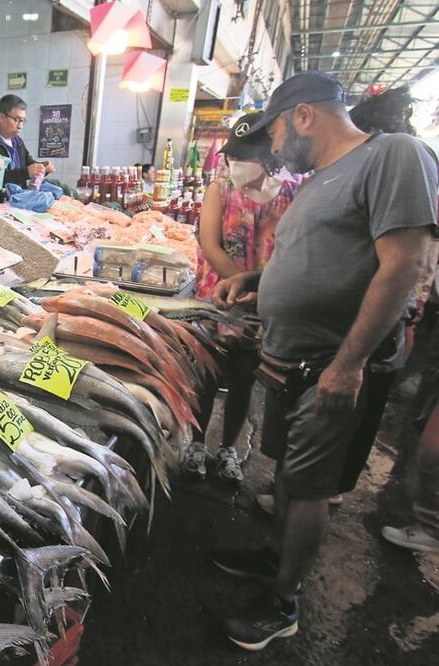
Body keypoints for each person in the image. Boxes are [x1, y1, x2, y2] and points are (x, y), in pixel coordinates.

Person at [209, 72, 438, 651]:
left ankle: (282, 600)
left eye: (277, 132)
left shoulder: (394, 156)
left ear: (305, 115)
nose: (274, 148)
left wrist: (349, 363)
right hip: (291, 359)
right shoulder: (321, 179)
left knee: (309, 485)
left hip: (329, 365)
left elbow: (402, 266)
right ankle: (273, 555)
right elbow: (321, 260)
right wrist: (260, 282)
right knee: (286, 472)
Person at [183, 112, 301, 484]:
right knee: (206, 374)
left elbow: (295, 250)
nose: (236, 164)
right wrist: (242, 284)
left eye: (245, 157)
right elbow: (210, 244)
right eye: (233, 157)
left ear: (270, 156)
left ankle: (228, 449)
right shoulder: (221, 189)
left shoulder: (292, 192)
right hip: (218, 297)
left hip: (264, 302)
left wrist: (260, 291)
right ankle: (196, 445)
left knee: (243, 379)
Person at [348, 86, 439, 553]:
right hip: (386, 319)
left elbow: (406, 264)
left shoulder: (405, 162)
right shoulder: (394, 165)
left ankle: (332, 489)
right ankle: (324, 488)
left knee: (364, 403)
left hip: (385, 322)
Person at [0, 94, 54, 200]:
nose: (20, 126)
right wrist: (26, 172)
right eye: (16, 120)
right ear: (2, 117)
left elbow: (28, 162)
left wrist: (42, 167)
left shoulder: (17, 141)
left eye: (22, 121)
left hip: (16, 201)